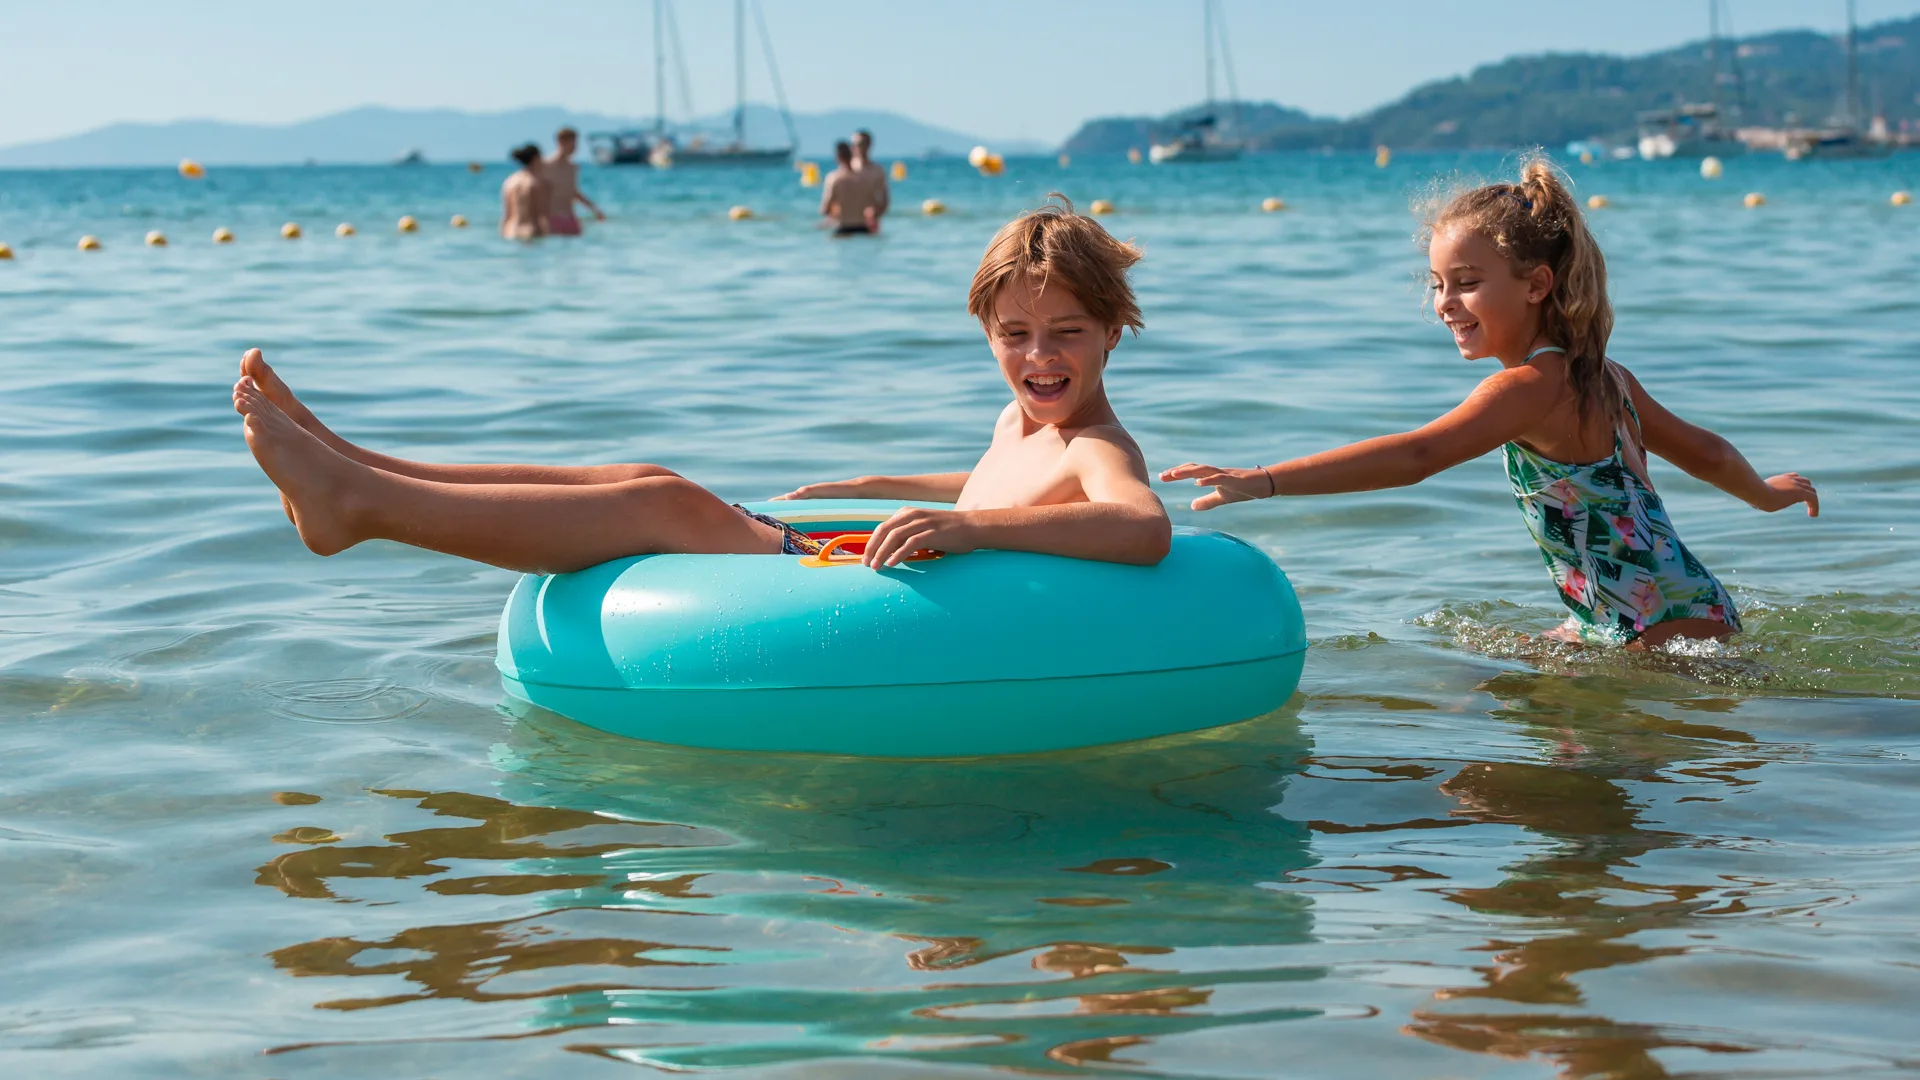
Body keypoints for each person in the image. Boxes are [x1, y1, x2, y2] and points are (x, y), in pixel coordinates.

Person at [231, 196, 1169, 575]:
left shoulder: (1098, 447)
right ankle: (353, 461)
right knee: (643, 470)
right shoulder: (1022, 421)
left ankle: (363, 504)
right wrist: (880, 487)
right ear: (986, 331)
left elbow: (1140, 523)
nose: (1039, 357)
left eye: (1066, 335)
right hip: (833, 550)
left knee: (669, 502)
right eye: (1015, 335)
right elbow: (993, 484)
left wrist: (965, 527)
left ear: (1114, 330)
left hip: (834, 583)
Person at [1162, 157, 1818, 650]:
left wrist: (1267, 480)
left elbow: (1418, 454)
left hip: (1646, 625)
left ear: (1537, 285)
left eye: (1467, 284)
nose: (1445, 302)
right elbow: (1704, 449)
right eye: (1438, 284)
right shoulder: (1605, 376)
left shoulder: (1525, 388)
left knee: (1587, 805)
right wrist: (1763, 493)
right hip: (1684, 606)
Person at [819, 134, 889, 237]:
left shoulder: (834, 178)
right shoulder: (866, 176)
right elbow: (878, 202)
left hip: (843, 228)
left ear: (838, 157)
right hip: (865, 229)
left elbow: (824, 209)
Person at [542, 127, 605, 236]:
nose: (575, 148)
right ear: (561, 142)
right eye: (573, 144)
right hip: (551, 218)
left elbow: (573, 192)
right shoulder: (546, 165)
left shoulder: (573, 167)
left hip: (570, 217)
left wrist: (594, 210)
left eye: (576, 144)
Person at [499, 143, 550, 241]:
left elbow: (506, 214)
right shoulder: (538, 183)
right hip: (530, 231)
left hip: (511, 230)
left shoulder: (510, 181)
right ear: (536, 158)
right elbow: (542, 214)